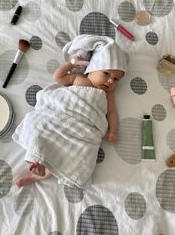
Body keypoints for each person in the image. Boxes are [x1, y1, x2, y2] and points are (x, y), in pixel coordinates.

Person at [13, 35, 128, 188]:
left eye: (116, 79)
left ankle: (40, 175)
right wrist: (72, 63)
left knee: (82, 153)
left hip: (82, 130)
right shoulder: (78, 78)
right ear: (92, 68)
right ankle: (36, 167)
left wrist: (113, 130)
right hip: (59, 116)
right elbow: (58, 77)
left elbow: (112, 113)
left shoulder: (107, 95)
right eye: (106, 74)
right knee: (40, 131)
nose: (110, 81)